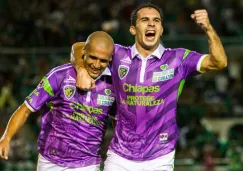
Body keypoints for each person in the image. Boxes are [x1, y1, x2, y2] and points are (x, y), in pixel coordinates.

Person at [72, 3, 227, 171]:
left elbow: (219, 61)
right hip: (119, 156)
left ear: (161, 30)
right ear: (133, 29)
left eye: (156, 21)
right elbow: (79, 47)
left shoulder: (177, 59)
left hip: (160, 157)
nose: (151, 24)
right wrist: (81, 70)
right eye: (145, 20)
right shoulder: (117, 54)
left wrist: (208, 29)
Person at [0, 31, 116, 171]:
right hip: (50, 161)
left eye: (103, 60)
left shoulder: (114, 85)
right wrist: (6, 137)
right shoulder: (59, 76)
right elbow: (26, 109)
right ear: (84, 51)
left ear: (110, 59)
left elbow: (118, 120)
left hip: (88, 164)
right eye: (93, 57)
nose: (97, 65)